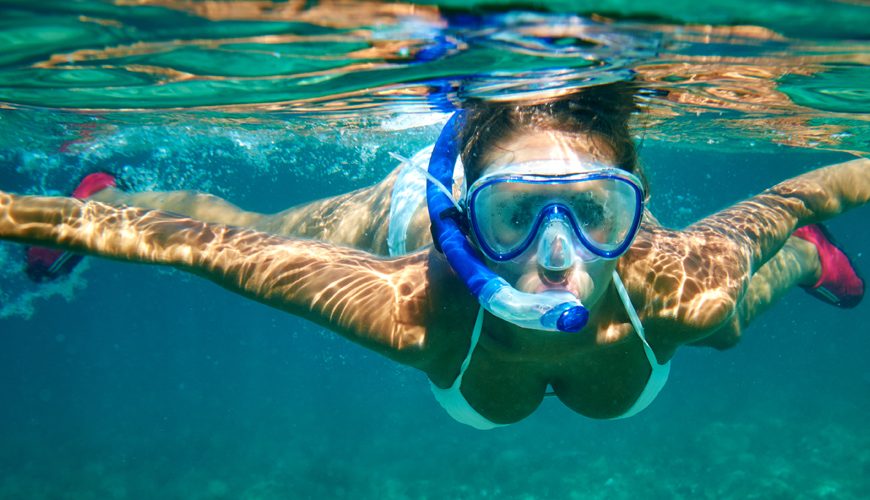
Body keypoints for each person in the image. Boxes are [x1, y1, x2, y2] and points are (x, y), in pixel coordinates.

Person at [1, 83, 866, 429]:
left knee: (725, 316)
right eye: (514, 217)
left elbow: (799, 195)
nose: (557, 257)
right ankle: (99, 190)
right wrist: (57, 220)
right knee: (262, 221)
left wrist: (800, 232)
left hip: (665, 305)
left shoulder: (676, 284)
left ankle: (806, 262)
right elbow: (212, 245)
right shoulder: (413, 305)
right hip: (406, 203)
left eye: (591, 214)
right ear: (462, 220)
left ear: (629, 212)